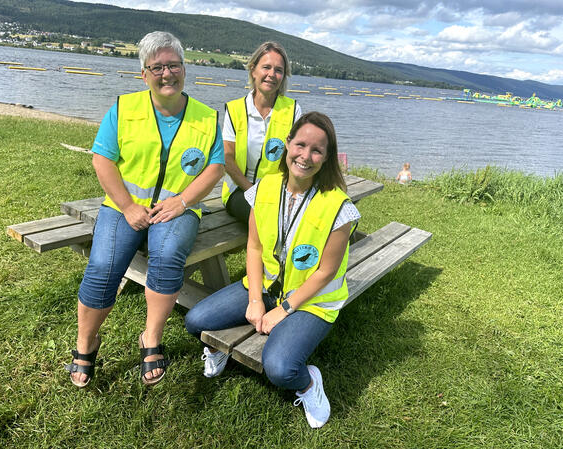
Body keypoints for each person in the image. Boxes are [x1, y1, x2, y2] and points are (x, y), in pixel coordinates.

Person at [65, 31, 225, 388]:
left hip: (178, 209)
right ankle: (86, 341)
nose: (167, 74)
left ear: (185, 69)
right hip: (123, 208)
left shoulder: (207, 118)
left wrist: (183, 202)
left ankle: (151, 337)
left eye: (174, 65)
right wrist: (127, 206)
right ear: (144, 74)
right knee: (104, 265)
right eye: (157, 67)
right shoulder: (123, 109)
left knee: (167, 257)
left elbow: (214, 168)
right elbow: (102, 159)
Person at [185, 112, 361, 428]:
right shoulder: (265, 187)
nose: (306, 156)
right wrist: (255, 299)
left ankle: (309, 384)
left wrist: (284, 309)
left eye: (317, 150)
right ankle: (222, 349)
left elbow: (326, 272)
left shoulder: (340, 207)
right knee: (196, 321)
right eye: (301, 144)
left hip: (311, 301)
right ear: (288, 144)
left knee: (280, 369)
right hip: (266, 286)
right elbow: (254, 247)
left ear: (327, 158)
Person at [221, 41, 302, 226]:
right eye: (266, 67)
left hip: (279, 191)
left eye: (279, 70)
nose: (272, 75)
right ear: (253, 70)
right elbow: (227, 158)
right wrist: (252, 190)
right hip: (240, 189)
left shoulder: (293, 109)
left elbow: (297, 157)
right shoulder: (235, 110)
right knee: (269, 217)